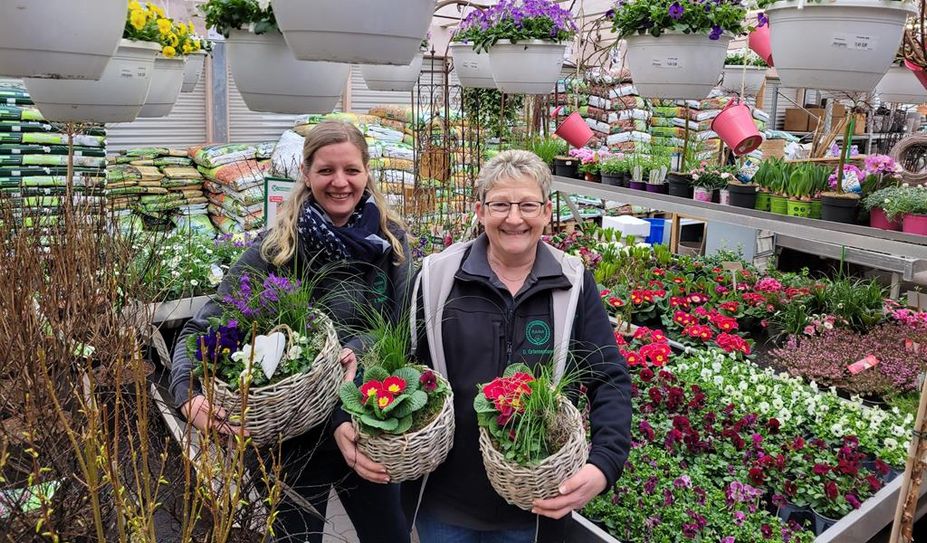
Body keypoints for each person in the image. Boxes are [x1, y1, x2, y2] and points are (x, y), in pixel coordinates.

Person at [170, 121, 412, 543]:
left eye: (352, 170)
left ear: (367, 171)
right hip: (292, 443)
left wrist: (360, 348)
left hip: (366, 427)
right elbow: (205, 324)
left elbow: (404, 329)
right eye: (326, 171)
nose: (340, 182)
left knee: (389, 534)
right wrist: (187, 392)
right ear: (306, 173)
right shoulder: (276, 249)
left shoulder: (391, 244)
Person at [402, 150, 631, 542]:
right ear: (480, 210)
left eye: (527, 205)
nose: (514, 218)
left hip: (537, 508)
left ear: (546, 212)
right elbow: (401, 367)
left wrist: (604, 463)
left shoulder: (571, 283)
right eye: (500, 205)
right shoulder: (437, 276)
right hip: (445, 503)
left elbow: (608, 377)